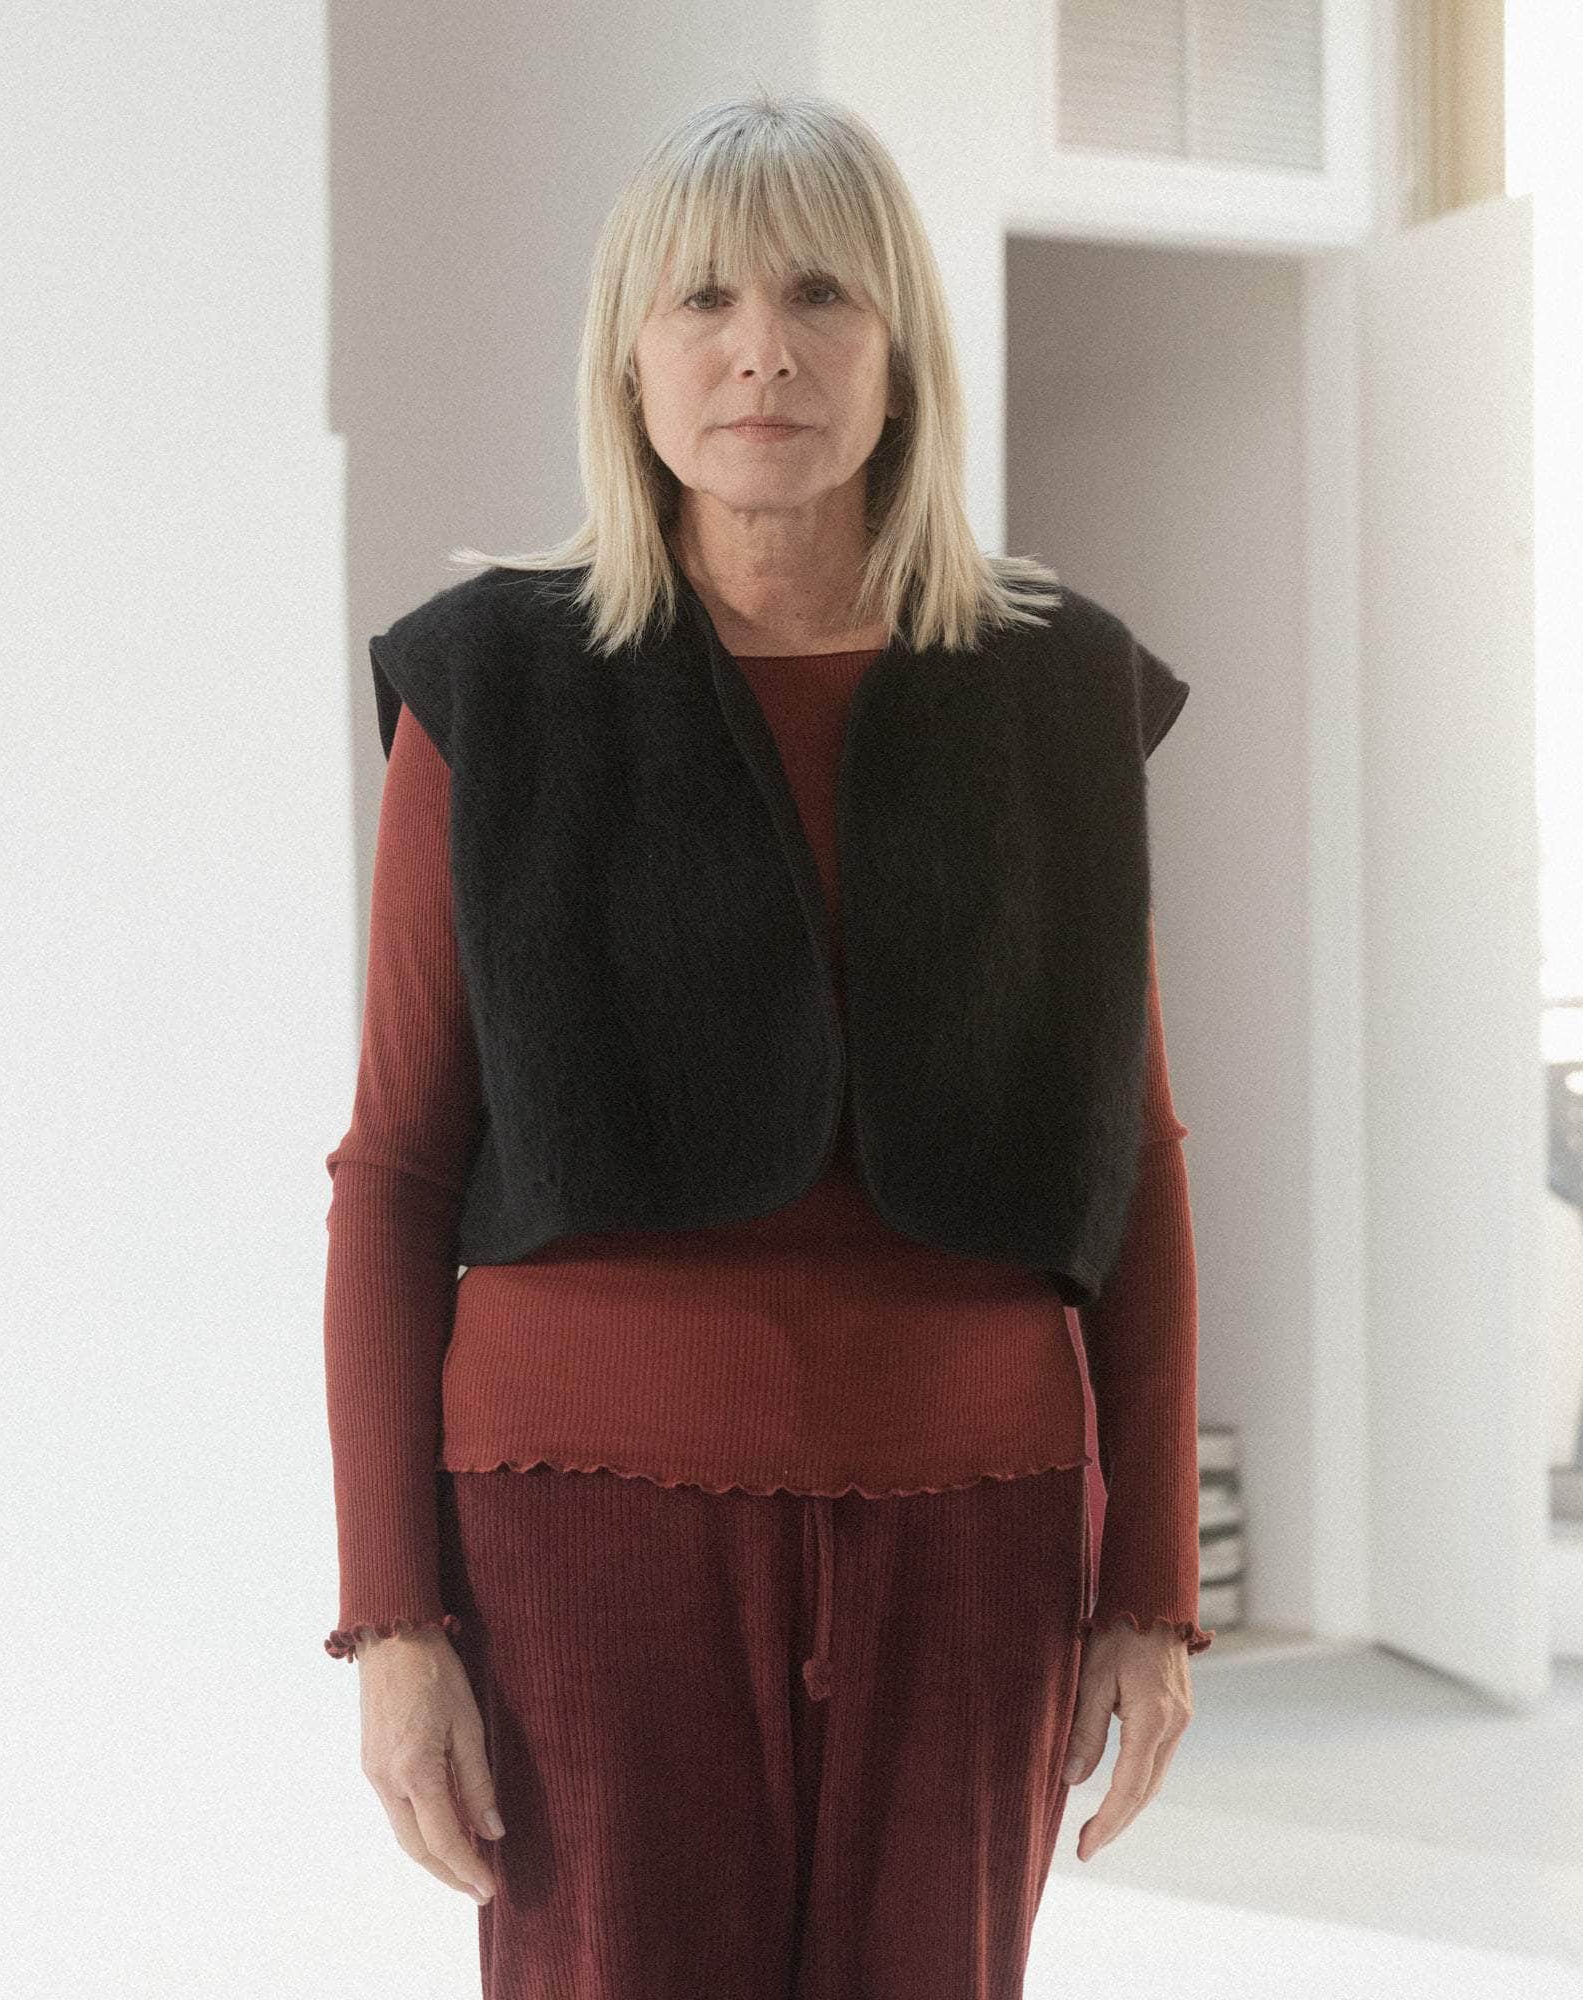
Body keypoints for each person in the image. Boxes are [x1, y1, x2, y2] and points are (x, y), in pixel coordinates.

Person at [322, 86, 1210, 2000]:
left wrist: (1151, 1590)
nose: (762, 351)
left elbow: (1131, 1157)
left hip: (974, 1536)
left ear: (900, 351)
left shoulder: (1055, 691)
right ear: (628, 357)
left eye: (822, 295)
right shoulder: (493, 688)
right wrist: (392, 1623)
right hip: (583, 1540)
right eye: (703, 299)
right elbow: (395, 1169)